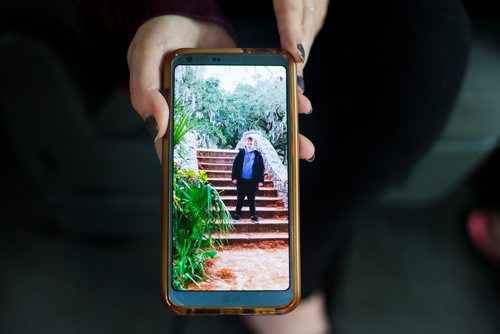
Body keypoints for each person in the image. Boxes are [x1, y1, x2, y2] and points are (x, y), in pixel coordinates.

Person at [72, 0, 471, 333]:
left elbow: (262, 162)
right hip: (189, 17)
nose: (246, 141)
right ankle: (293, 275)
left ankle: (304, 251)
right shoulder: (243, 149)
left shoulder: (256, 151)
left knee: (434, 31)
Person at [231, 135, 265, 223]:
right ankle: (237, 215)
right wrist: (234, 177)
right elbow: (235, 166)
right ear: (245, 142)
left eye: (251, 142)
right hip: (241, 180)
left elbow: (261, 168)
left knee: (251, 199)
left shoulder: (257, 154)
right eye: (248, 142)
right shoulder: (241, 153)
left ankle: (253, 216)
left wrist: (260, 180)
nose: (249, 143)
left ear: (253, 143)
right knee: (240, 199)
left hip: (252, 181)